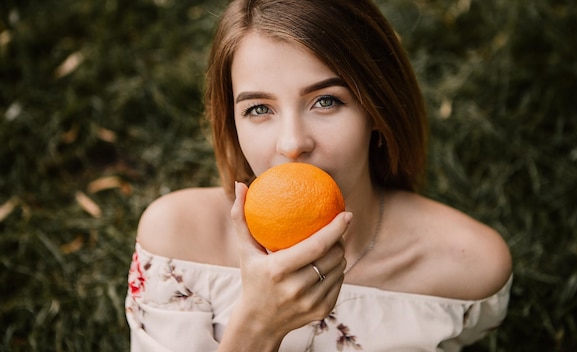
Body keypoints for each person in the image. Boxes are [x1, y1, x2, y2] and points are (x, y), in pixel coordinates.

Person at [125, 0, 513, 351]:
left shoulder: (468, 267)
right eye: (259, 109)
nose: (292, 144)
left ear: (376, 111)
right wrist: (258, 328)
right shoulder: (176, 244)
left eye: (326, 101)